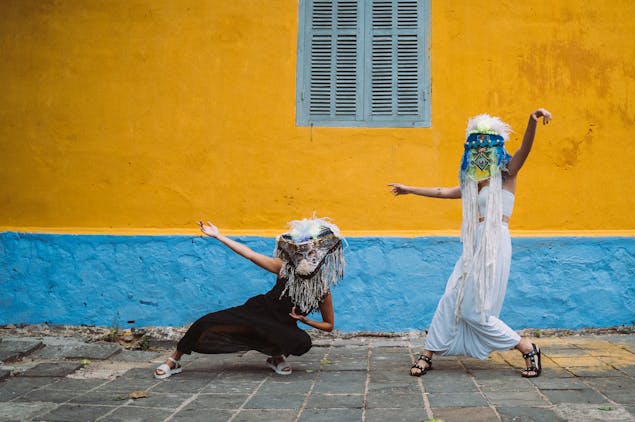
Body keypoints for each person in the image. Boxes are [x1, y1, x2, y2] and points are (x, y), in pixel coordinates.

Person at [389, 108, 552, 378]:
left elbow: (525, 149)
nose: (481, 153)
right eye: (477, 149)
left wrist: (531, 121)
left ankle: (526, 347)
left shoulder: (506, 174)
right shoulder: (471, 182)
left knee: (475, 311)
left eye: (487, 148)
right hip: (473, 244)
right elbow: (443, 191)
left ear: (495, 150)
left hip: (494, 241)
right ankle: (428, 354)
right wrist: (409, 188)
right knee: (450, 297)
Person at [153, 217, 345, 379]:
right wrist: (219, 236)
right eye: (304, 251)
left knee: (302, 342)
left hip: (282, 325)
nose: (308, 256)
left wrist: (305, 320)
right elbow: (250, 254)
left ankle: (276, 356)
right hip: (257, 312)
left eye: (313, 253)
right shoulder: (283, 269)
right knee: (206, 322)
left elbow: (329, 325)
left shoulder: (322, 290)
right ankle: (175, 360)